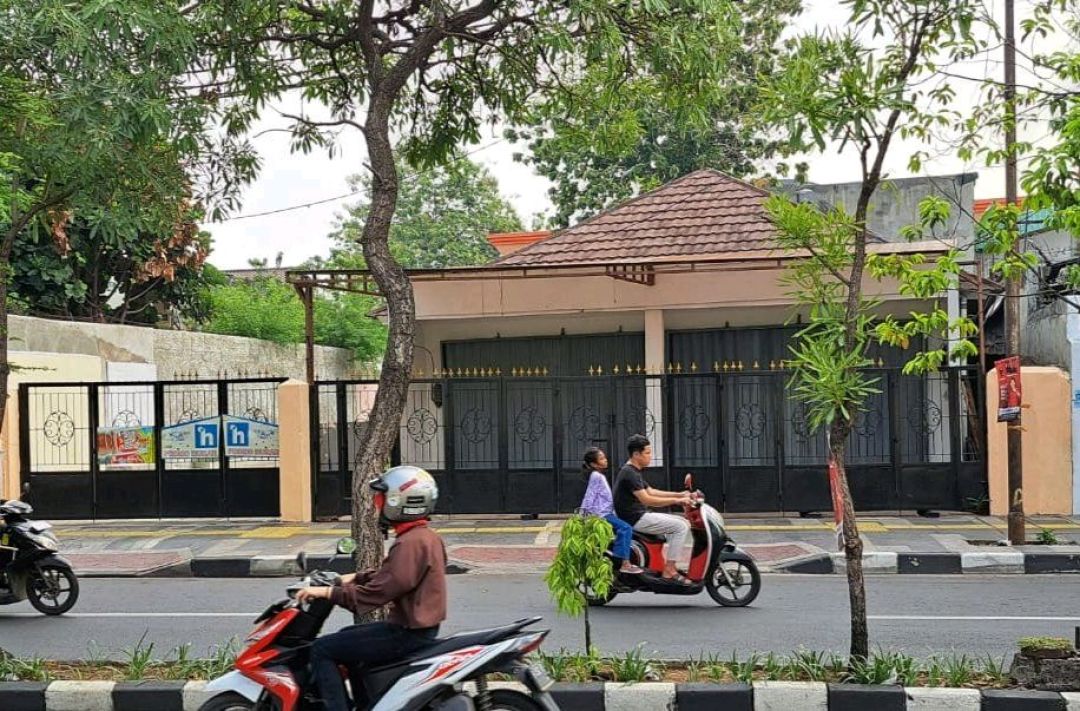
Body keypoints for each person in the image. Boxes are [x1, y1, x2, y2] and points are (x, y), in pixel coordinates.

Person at [295, 465, 446, 711]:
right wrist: (352, 577)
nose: (377, 504)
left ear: (400, 501)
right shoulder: (424, 537)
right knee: (347, 637)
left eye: (381, 497)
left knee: (323, 648)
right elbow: (393, 576)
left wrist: (327, 592)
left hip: (407, 634)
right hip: (415, 630)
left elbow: (377, 593)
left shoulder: (411, 543)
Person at [613, 434, 694, 584]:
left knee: (683, 522)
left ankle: (667, 563)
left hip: (639, 515)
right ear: (636, 454)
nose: (650, 456)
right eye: (647, 453)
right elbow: (648, 499)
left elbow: (651, 491)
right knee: (680, 527)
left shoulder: (632, 471)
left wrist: (679, 494)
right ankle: (669, 569)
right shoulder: (629, 473)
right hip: (635, 519)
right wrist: (677, 501)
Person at [579, 448, 643, 575]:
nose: (605, 460)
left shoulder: (598, 476)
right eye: (601, 458)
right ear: (594, 464)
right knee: (625, 528)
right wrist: (582, 515)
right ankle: (624, 563)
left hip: (606, 513)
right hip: (602, 515)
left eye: (604, 457)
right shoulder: (597, 476)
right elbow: (590, 496)